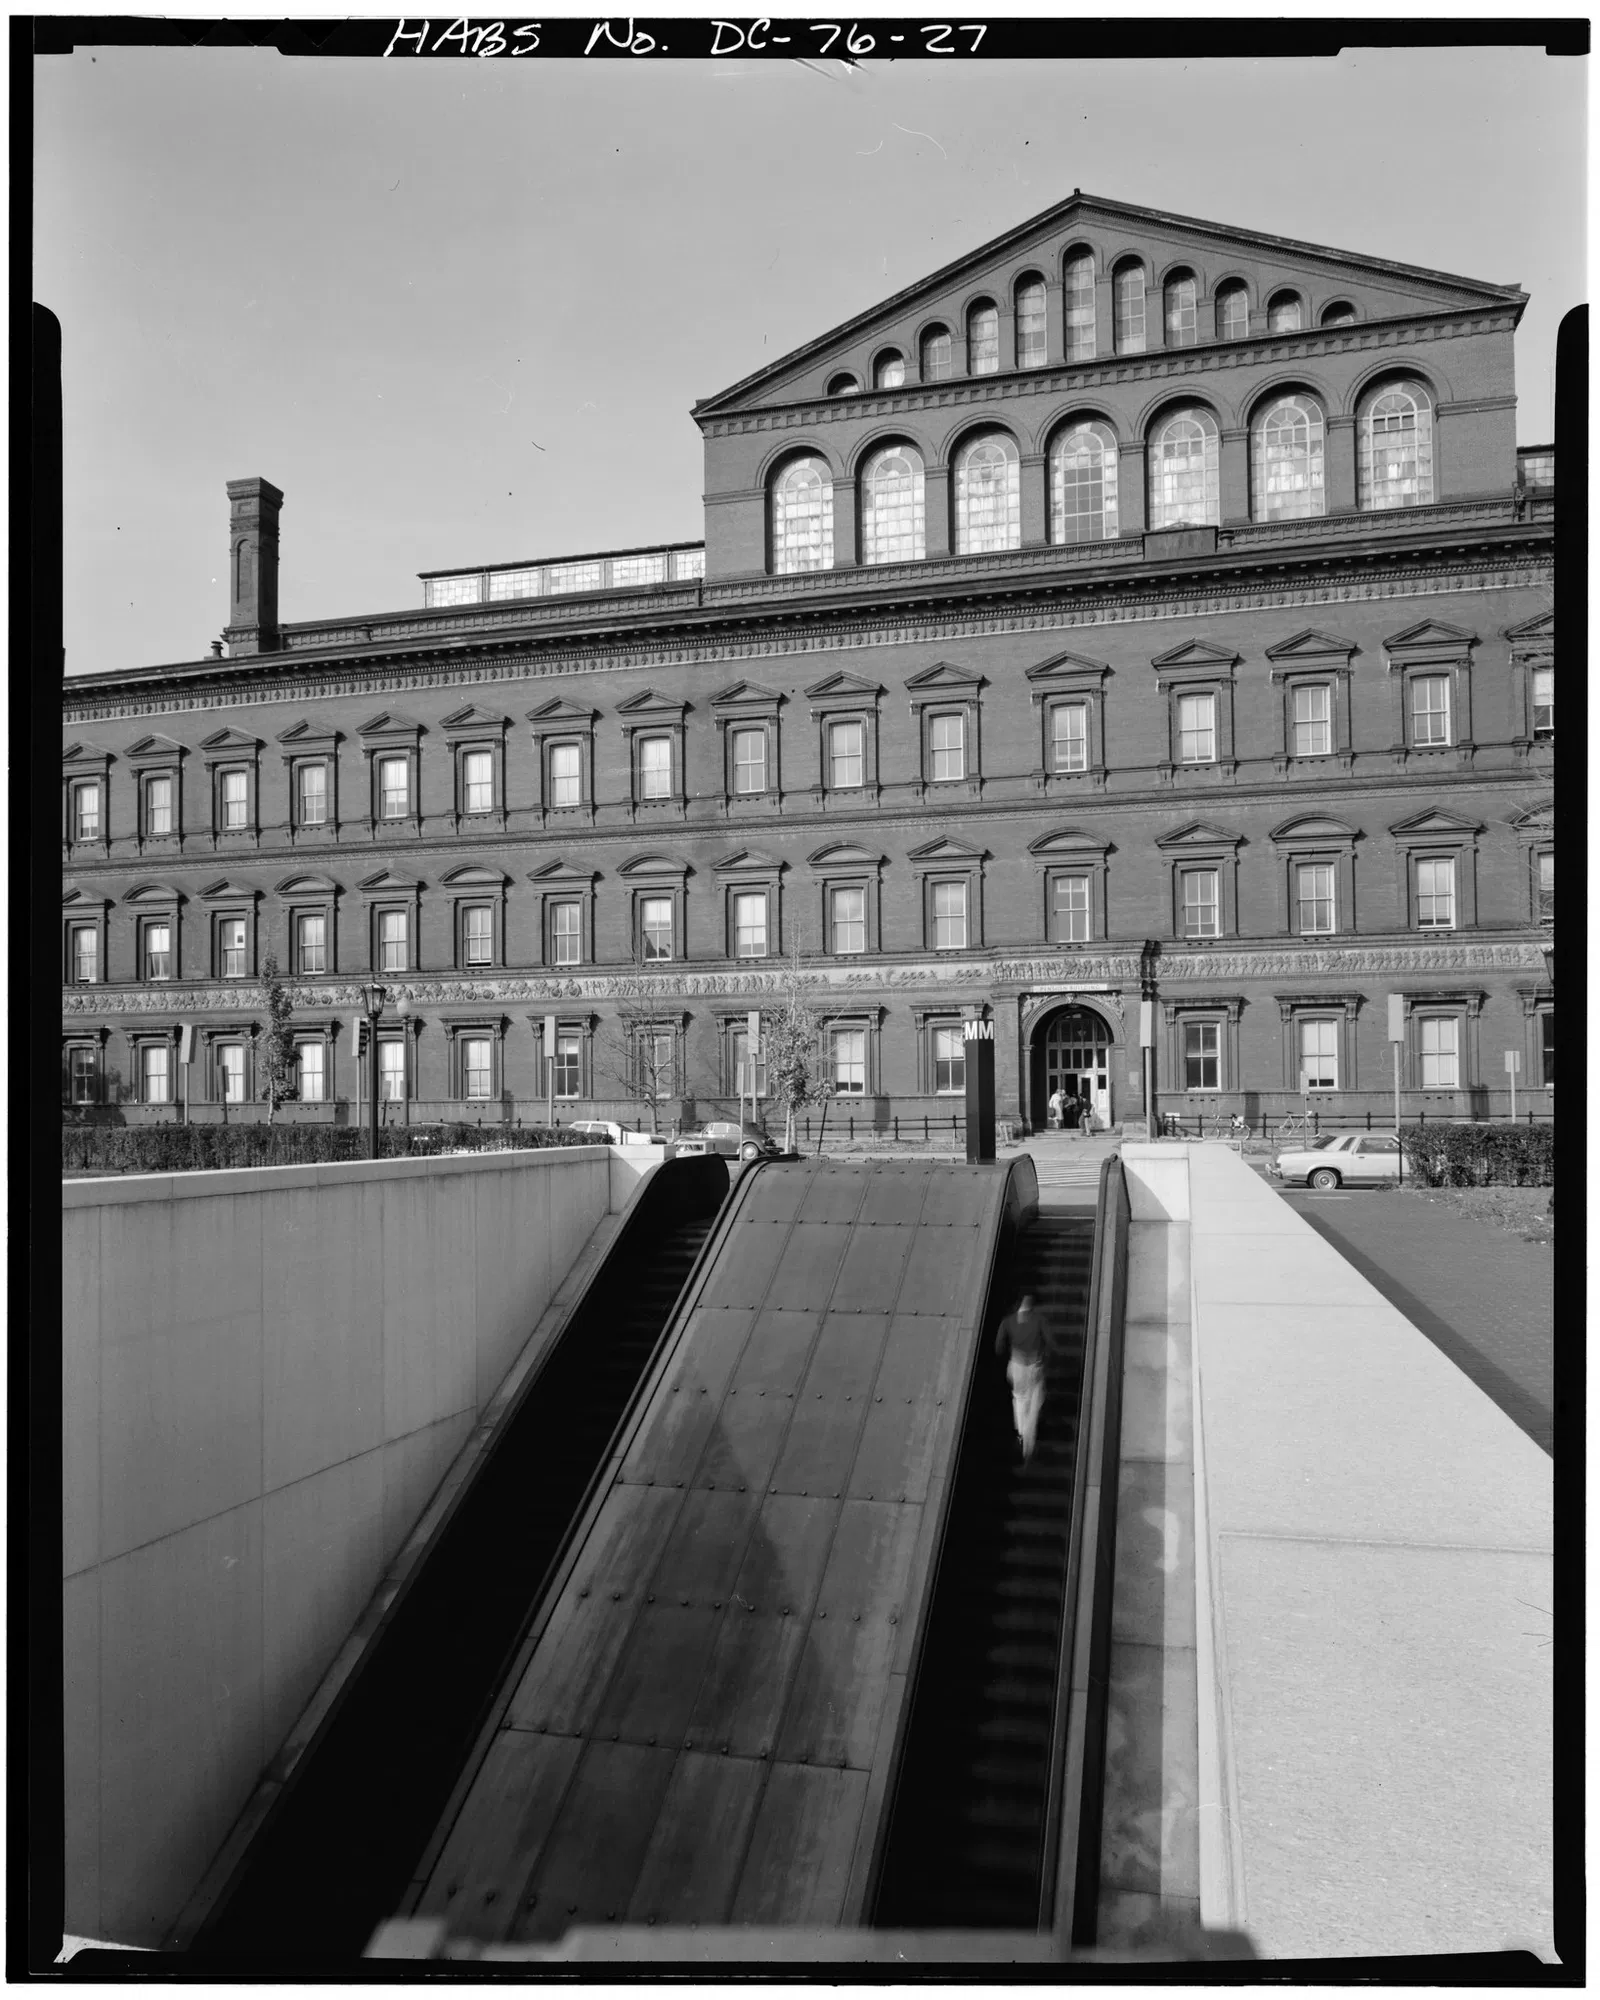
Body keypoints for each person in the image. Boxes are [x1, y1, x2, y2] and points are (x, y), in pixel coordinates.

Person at [995, 1292, 1048, 1462]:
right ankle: (1028, 1443)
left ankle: (1021, 1434)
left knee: (1019, 1399)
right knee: (1035, 1401)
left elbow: (998, 1347)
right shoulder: (1038, 1320)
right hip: (1034, 1365)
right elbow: (1050, 1341)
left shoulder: (1008, 1321)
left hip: (1016, 1364)